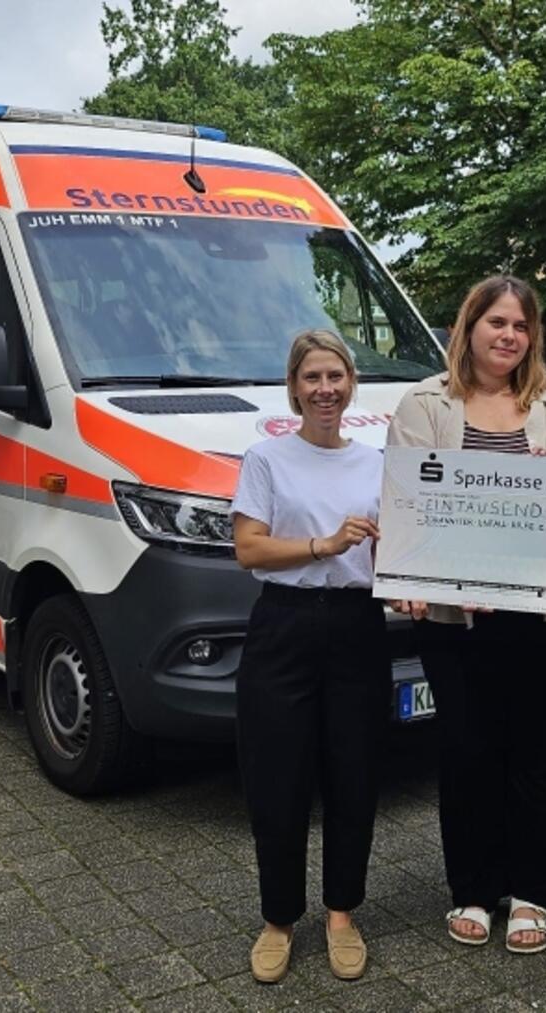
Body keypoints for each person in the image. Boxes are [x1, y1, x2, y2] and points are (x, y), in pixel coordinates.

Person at [387, 275, 546, 954]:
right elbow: (405, 506)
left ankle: (531, 892)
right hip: (458, 619)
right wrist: (407, 579)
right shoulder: (425, 404)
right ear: (469, 327)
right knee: (467, 750)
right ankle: (475, 890)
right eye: (496, 323)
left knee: (541, 752)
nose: (508, 336)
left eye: (520, 325)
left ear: (531, 335)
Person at [231, 328, 389, 984]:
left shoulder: (379, 461)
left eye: (337, 376)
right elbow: (250, 549)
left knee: (354, 775)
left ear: (352, 383)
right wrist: (323, 545)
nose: (326, 389)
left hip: (357, 624)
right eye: (313, 378)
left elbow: (397, 551)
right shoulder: (267, 458)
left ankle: (342, 914)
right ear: (294, 387)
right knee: (279, 778)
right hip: (285, 626)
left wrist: (408, 579)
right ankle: (277, 919)